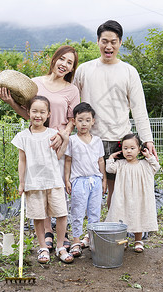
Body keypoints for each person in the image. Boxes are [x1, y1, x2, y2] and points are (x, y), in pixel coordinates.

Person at [0, 45, 80, 252]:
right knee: (41, 186)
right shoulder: (35, 83)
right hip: (38, 143)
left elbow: (72, 120)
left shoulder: (72, 90)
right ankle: (48, 233)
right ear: (54, 60)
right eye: (62, 59)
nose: (64, 64)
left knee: (57, 188)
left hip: (58, 144)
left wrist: (63, 135)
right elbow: (30, 114)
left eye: (69, 62)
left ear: (72, 69)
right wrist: (11, 103)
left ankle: (63, 234)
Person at [73, 20, 158, 209]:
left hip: (120, 141)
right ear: (97, 41)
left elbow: (139, 109)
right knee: (89, 189)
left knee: (116, 191)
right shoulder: (84, 70)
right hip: (90, 140)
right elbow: (70, 100)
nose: (108, 46)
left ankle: (112, 231)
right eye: (104, 41)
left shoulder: (129, 72)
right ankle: (90, 233)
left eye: (113, 41)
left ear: (120, 43)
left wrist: (148, 140)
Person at [11, 96, 74, 264]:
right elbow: (22, 160)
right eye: (34, 111)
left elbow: (58, 156)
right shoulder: (23, 136)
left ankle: (60, 246)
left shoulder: (54, 134)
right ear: (28, 112)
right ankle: (43, 248)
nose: (37, 115)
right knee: (38, 217)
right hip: (34, 183)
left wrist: (65, 140)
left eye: (42, 112)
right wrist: (22, 182)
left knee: (61, 214)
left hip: (53, 181)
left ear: (48, 114)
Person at [64, 102, 106, 257]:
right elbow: (68, 161)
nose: (84, 123)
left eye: (87, 120)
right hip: (79, 181)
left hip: (95, 180)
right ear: (74, 121)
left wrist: (104, 180)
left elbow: (101, 161)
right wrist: (67, 180)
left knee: (95, 211)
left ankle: (91, 239)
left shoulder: (97, 141)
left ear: (93, 121)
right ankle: (76, 241)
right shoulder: (72, 140)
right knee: (77, 211)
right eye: (80, 120)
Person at [105, 133, 160, 253]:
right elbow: (109, 169)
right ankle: (122, 239)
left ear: (139, 149)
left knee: (137, 216)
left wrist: (149, 156)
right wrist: (111, 157)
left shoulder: (144, 165)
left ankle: (138, 240)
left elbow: (156, 167)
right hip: (122, 197)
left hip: (138, 197)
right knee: (121, 216)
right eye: (125, 148)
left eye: (132, 148)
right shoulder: (120, 165)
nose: (128, 151)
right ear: (121, 150)